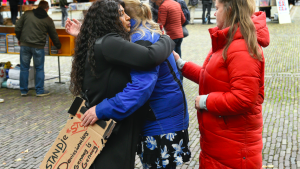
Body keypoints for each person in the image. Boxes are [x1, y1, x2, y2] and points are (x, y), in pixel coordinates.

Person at [80, 0, 191, 168]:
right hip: (164, 118)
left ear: (128, 18)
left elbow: (140, 87)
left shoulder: (141, 39)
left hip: (160, 123)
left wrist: (102, 108)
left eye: (123, 14)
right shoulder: (142, 34)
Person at [174, 0, 270, 167]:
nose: (214, 13)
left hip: (234, 147)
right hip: (222, 142)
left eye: (217, 8)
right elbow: (213, 78)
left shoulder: (242, 47)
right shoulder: (229, 40)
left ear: (229, 10)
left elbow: (244, 98)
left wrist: (205, 101)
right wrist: (182, 65)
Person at [15, 1, 62, 97]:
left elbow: (17, 27)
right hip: (38, 47)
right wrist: (58, 47)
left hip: (25, 45)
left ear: (38, 6)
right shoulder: (48, 19)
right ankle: (39, 91)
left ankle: (23, 90)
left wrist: (19, 38)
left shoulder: (27, 14)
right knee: (39, 69)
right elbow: (54, 35)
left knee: (24, 68)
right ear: (47, 8)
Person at [151, 0, 186, 81]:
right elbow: (183, 19)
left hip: (171, 36)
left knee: (171, 61)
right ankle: (181, 77)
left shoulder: (163, 6)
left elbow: (160, 23)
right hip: (179, 35)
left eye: (155, 2)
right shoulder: (176, 3)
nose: (156, 4)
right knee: (178, 58)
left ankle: (175, 78)